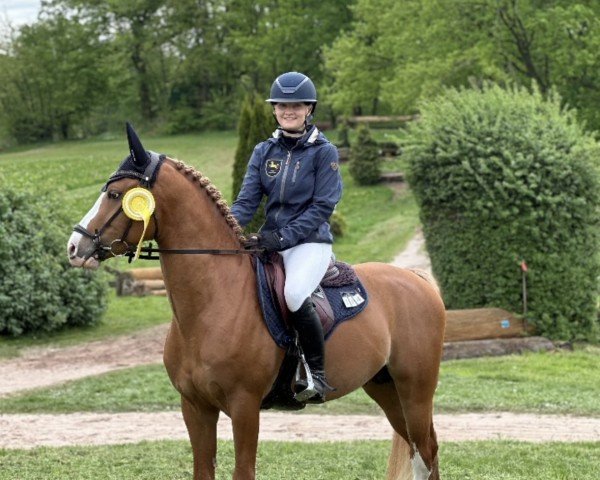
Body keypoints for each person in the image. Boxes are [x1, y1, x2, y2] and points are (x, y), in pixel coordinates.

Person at [231, 72, 343, 403]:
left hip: (310, 242)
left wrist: (281, 238)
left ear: (309, 109)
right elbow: (247, 201)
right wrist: (229, 231)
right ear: (275, 109)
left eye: (295, 105)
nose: (287, 111)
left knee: (294, 294)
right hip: (270, 242)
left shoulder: (325, 152)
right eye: (281, 105)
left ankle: (317, 376)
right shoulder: (264, 151)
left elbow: (322, 207)